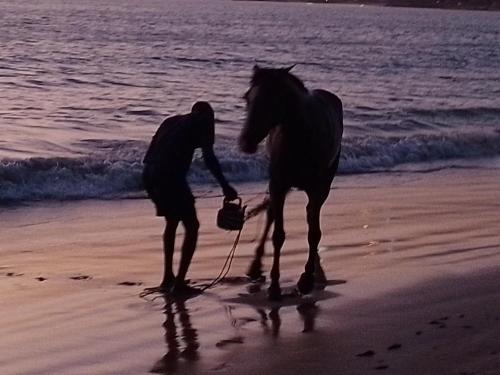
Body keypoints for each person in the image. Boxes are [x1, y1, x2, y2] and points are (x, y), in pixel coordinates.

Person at [143, 101, 238, 296]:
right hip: (170, 176)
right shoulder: (204, 122)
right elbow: (209, 157)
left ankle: (168, 277)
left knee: (172, 223)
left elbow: (152, 152)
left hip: (149, 174)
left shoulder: (171, 121)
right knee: (192, 227)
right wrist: (225, 185)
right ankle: (179, 284)